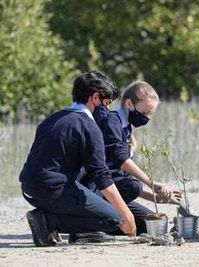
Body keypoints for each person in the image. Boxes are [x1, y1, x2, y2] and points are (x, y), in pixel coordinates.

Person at [19, 71, 136, 247]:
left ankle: (47, 219)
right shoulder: (89, 127)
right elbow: (101, 176)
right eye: (106, 103)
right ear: (95, 98)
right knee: (115, 220)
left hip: (29, 187)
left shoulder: (52, 118)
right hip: (53, 189)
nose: (107, 110)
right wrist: (127, 215)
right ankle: (48, 220)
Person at [81, 80, 181, 235]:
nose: (147, 118)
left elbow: (122, 179)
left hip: (111, 189)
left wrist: (156, 198)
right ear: (129, 104)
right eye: (145, 113)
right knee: (134, 186)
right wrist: (152, 183)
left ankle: (107, 222)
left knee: (147, 225)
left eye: (150, 114)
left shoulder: (126, 128)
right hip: (96, 189)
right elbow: (120, 159)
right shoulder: (111, 121)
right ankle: (91, 223)